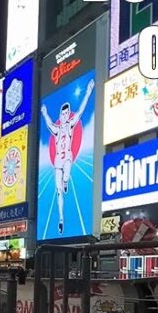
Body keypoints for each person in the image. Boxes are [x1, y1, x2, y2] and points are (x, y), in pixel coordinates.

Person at [41, 79, 95, 235]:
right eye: (62, 114)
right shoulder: (57, 129)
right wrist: (44, 113)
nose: (64, 115)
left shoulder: (71, 124)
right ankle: (61, 219)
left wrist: (88, 91)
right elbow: (49, 124)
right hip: (58, 160)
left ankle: (66, 181)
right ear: (60, 115)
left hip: (68, 157)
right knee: (59, 191)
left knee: (66, 175)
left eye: (66, 113)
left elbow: (81, 111)